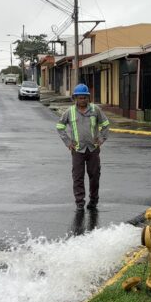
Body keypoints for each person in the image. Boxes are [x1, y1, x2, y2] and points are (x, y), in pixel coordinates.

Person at [56, 83, 110, 211]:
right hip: (77, 150)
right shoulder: (69, 112)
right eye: (80, 97)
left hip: (93, 149)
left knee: (95, 176)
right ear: (75, 98)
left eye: (85, 97)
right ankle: (80, 202)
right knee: (78, 177)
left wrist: (102, 138)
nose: (83, 100)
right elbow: (60, 127)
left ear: (88, 98)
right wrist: (68, 142)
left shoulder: (95, 110)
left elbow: (105, 124)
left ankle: (93, 201)